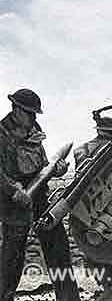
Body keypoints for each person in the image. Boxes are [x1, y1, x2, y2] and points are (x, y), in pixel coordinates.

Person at [0, 89, 81, 301]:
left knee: (59, 250)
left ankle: (69, 298)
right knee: (12, 260)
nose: (34, 118)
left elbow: (43, 165)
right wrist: (13, 190)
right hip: (14, 204)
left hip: (40, 200)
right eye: (29, 113)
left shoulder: (35, 130)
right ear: (16, 110)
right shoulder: (1, 135)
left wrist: (58, 169)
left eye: (35, 113)